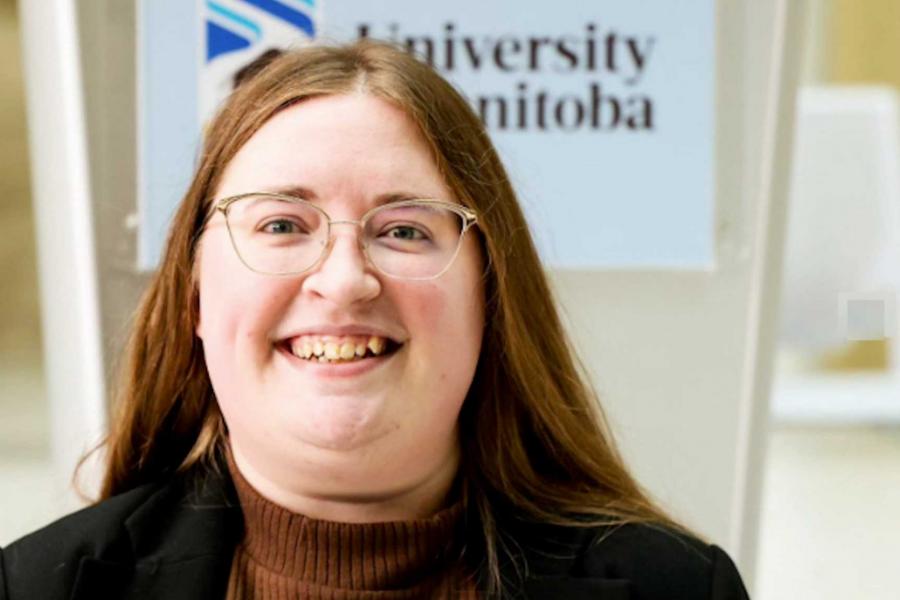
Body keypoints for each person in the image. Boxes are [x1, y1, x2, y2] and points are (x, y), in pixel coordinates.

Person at [0, 40, 750, 599]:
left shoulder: (681, 589)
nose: (344, 280)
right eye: (282, 225)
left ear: (490, 296)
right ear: (195, 296)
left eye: (404, 231)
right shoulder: (34, 587)